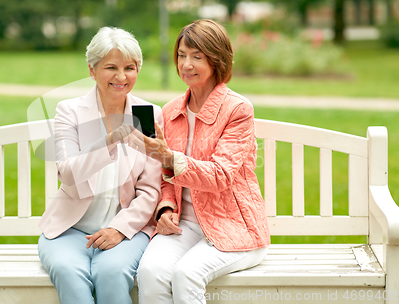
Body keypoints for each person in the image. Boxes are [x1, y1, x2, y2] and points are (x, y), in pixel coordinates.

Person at [135, 19, 270, 303]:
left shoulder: (238, 110)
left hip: (234, 226)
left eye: (197, 57)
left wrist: (169, 156)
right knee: (149, 271)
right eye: (182, 55)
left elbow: (221, 175)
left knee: (186, 275)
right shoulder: (172, 111)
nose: (186, 64)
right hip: (185, 225)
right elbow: (166, 177)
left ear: (217, 59)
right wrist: (166, 209)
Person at [38, 27, 162, 304]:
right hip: (70, 228)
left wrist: (119, 229)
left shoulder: (147, 114)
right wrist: (108, 142)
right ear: (92, 70)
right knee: (68, 272)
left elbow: (151, 189)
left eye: (130, 67)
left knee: (112, 272)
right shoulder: (70, 111)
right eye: (111, 67)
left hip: (126, 230)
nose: (122, 77)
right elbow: (68, 172)